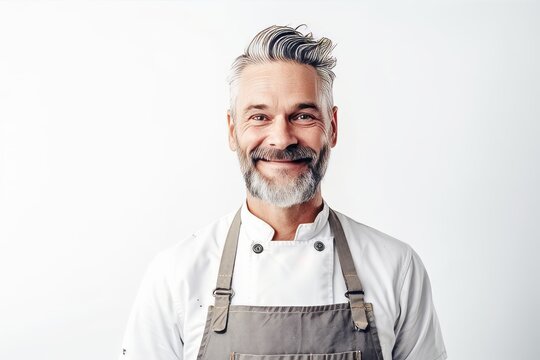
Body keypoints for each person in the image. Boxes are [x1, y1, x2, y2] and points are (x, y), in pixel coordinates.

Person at [119, 24, 447, 360]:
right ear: (233, 131)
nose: (281, 138)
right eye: (259, 116)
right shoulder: (176, 274)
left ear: (332, 128)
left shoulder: (396, 268)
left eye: (303, 116)